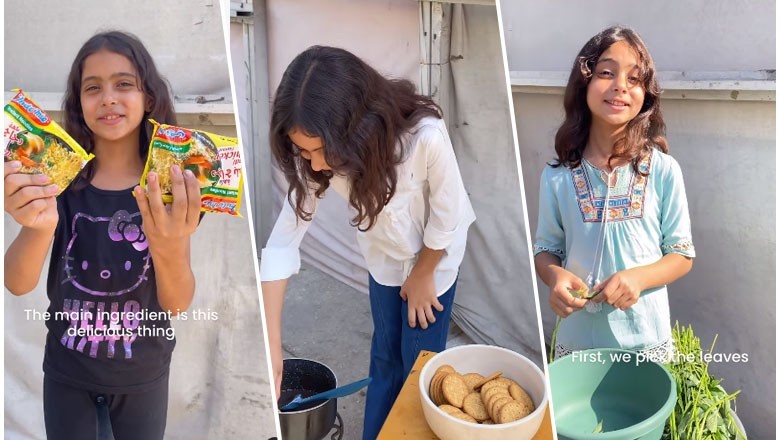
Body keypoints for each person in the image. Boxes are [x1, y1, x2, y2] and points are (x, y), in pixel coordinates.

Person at [261, 45, 476, 439]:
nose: (316, 166)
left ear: (356, 127)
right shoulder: (317, 161)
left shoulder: (424, 136)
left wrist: (424, 274)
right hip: (383, 263)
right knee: (384, 359)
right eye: (304, 153)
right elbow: (280, 245)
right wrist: (273, 347)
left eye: (323, 151)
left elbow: (449, 216)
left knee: (420, 368)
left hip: (435, 265)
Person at [4, 31, 201, 439]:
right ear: (78, 103)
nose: (108, 98)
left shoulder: (169, 187)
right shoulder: (57, 180)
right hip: (65, 372)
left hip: (144, 376)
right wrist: (38, 226)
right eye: (92, 88)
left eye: (124, 84)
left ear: (149, 96)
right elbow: (17, 283)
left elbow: (178, 303)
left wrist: (165, 245)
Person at [533, 27, 695, 362]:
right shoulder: (557, 177)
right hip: (578, 342)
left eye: (635, 79)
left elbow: (681, 254)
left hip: (646, 341)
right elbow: (546, 249)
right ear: (584, 83)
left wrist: (638, 278)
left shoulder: (663, 171)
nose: (620, 85)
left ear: (645, 94)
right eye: (607, 73)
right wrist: (555, 275)